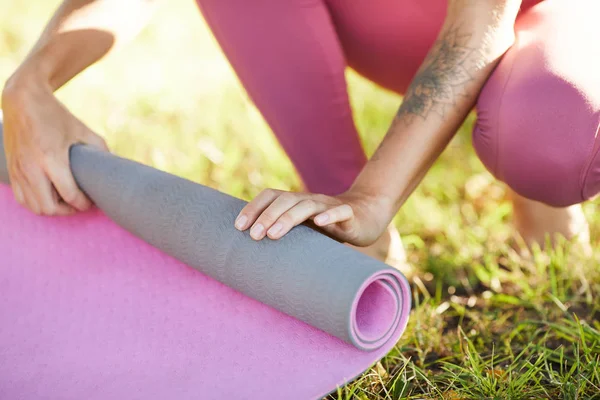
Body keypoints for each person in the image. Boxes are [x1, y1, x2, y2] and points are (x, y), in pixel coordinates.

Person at [2, 0, 596, 266]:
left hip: (530, 18)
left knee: (548, 135)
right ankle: (353, 235)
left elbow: (480, 29)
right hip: (383, 22)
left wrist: (375, 196)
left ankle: (539, 207)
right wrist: (30, 82)